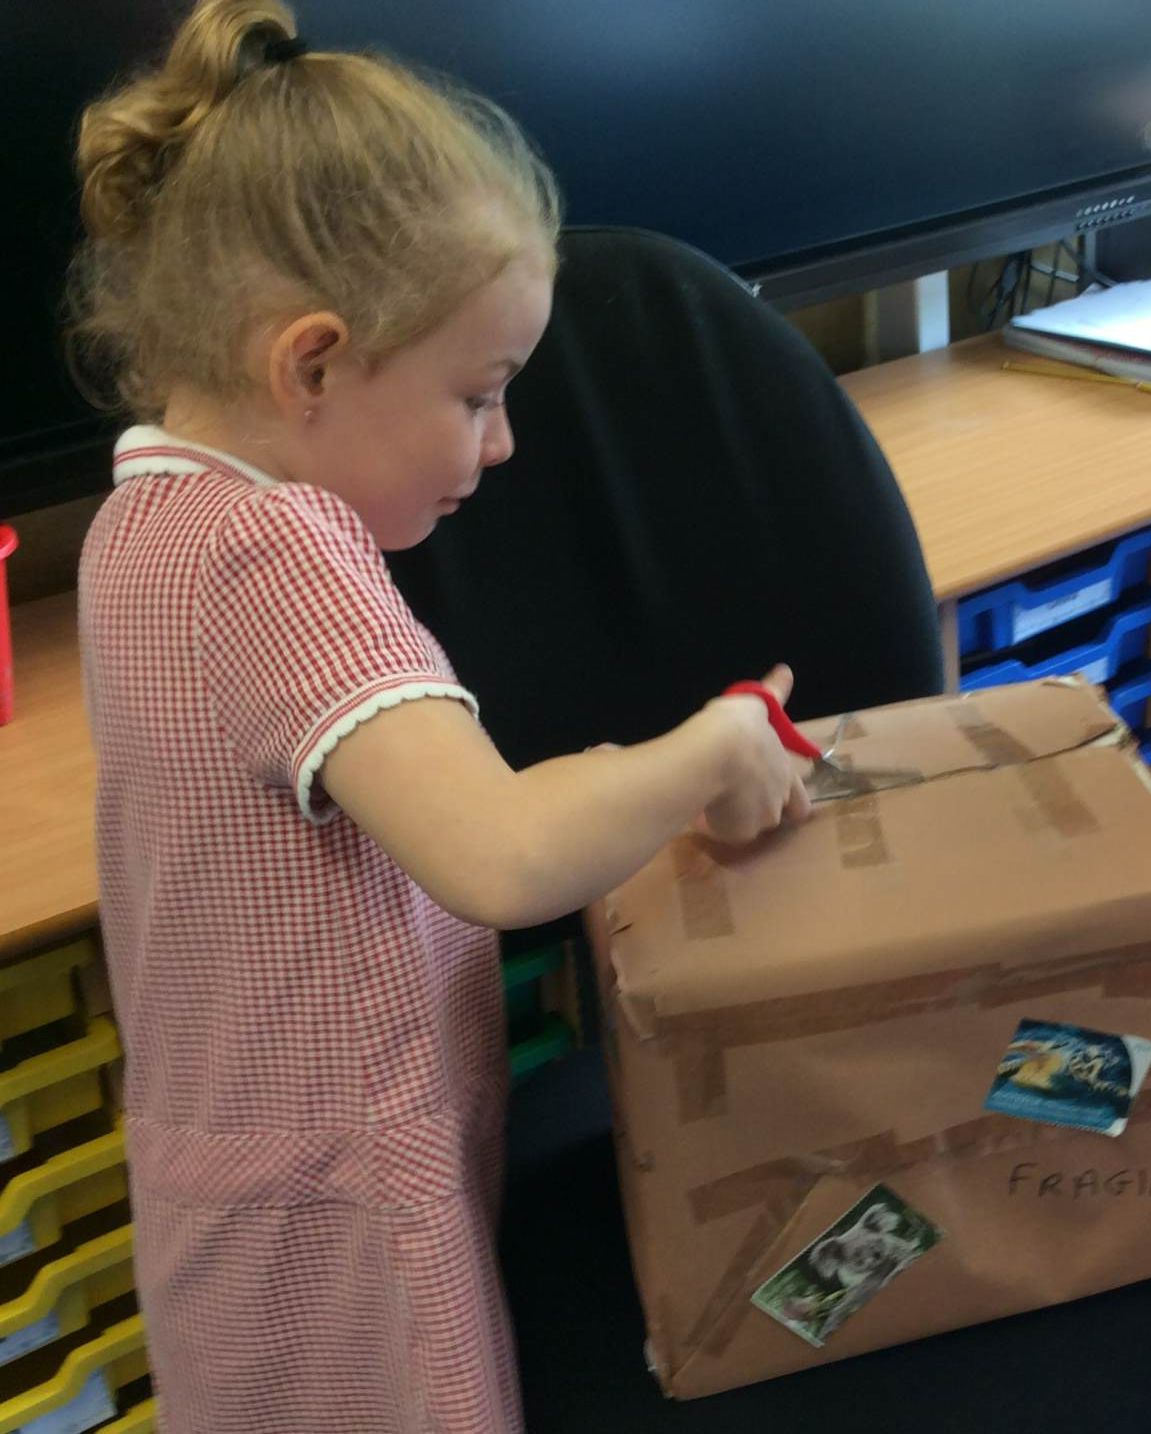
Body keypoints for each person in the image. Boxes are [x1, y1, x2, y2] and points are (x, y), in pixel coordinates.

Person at [69, 3, 809, 1428]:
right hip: (349, 1206)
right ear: (312, 363)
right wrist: (713, 748)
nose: (504, 440)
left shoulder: (137, 525)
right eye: (478, 394)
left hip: (242, 1184)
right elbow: (503, 855)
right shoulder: (275, 551)